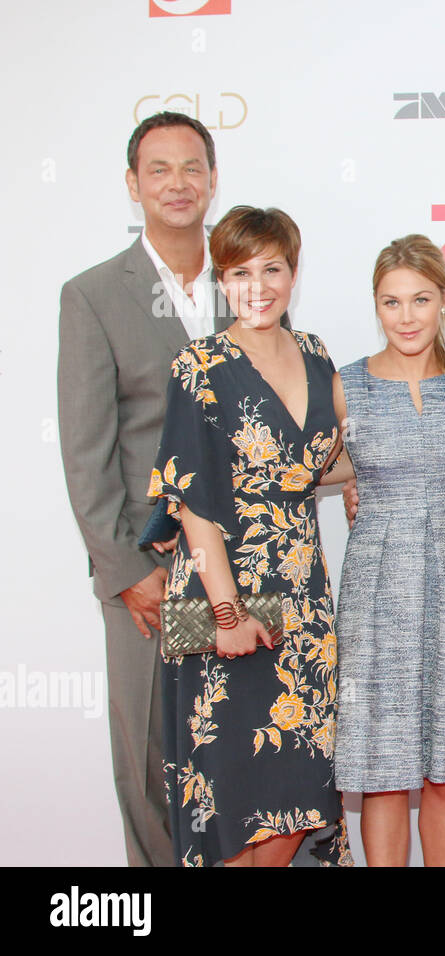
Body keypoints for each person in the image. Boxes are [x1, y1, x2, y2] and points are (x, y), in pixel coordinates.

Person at [147, 206, 352, 866]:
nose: (257, 286)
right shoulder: (199, 365)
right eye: (239, 273)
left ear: (293, 272)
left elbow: (318, 462)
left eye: (272, 269)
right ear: (220, 280)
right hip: (222, 595)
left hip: (301, 599)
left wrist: (379, 471)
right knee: (235, 803)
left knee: (299, 797)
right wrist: (229, 613)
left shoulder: (318, 356)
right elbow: (194, 502)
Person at [57, 111, 228, 866]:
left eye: (191, 167)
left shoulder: (248, 285)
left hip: (242, 571)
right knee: (158, 768)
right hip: (152, 584)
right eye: (158, 170)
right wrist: (126, 574)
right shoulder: (93, 296)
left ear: (213, 181)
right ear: (134, 185)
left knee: (239, 760)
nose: (177, 184)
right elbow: (84, 453)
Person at [327, 235, 445, 867]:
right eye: (391, 302)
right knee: (382, 770)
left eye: (420, 299)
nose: (406, 316)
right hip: (378, 589)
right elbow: (302, 466)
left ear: (444, 300)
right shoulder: (345, 385)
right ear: (375, 306)